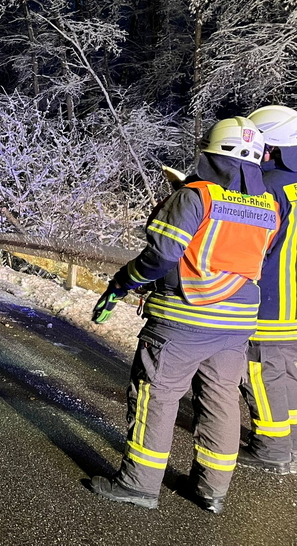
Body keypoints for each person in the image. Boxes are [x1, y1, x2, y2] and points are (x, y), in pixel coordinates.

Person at [90, 117, 279, 513]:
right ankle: (212, 490)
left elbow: (162, 256)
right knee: (221, 400)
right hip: (238, 323)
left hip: (184, 317)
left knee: (156, 395)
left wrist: (124, 282)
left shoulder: (196, 197)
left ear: (211, 153)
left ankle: (139, 485)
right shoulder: (269, 207)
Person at [238, 105, 297, 474]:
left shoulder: (271, 187)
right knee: (290, 372)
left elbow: (253, 242)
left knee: (262, 371)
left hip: (272, 301)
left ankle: (273, 448)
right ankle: (292, 442)